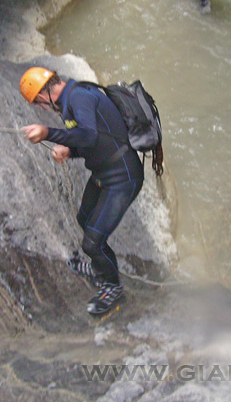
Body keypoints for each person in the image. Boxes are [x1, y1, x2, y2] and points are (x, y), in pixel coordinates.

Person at [19, 67, 144, 315]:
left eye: (39, 104)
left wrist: (49, 133)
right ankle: (100, 268)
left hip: (123, 176)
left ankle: (112, 287)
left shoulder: (79, 97)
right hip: (104, 173)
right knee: (84, 219)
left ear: (44, 95)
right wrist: (69, 150)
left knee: (92, 242)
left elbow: (87, 136)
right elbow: (94, 140)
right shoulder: (73, 98)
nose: (42, 109)